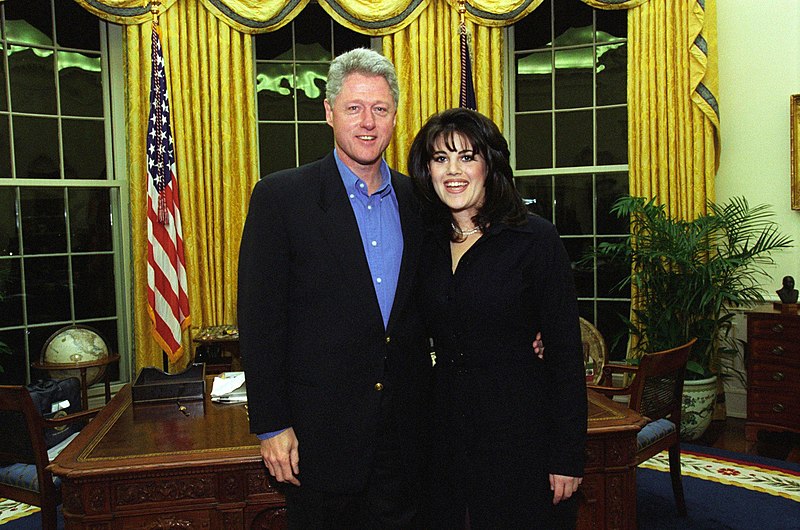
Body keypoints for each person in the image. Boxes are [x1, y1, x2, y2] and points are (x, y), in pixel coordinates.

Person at [238, 48, 431, 529]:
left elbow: (441, 299)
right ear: (328, 112)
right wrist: (272, 424)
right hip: (319, 440)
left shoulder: (419, 200)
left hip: (406, 439)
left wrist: (521, 332)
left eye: (380, 109)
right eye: (353, 108)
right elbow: (260, 322)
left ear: (394, 116)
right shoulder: (281, 198)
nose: (368, 122)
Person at [407, 107, 588, 529]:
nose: (453, 170)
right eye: (440, 158)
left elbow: (564, 354)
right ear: (427, 170)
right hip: (445, 433)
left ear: (490, 165)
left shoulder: (535, 239)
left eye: (467, 157)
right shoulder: (424, 243)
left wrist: (567, 455)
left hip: (521, 433)